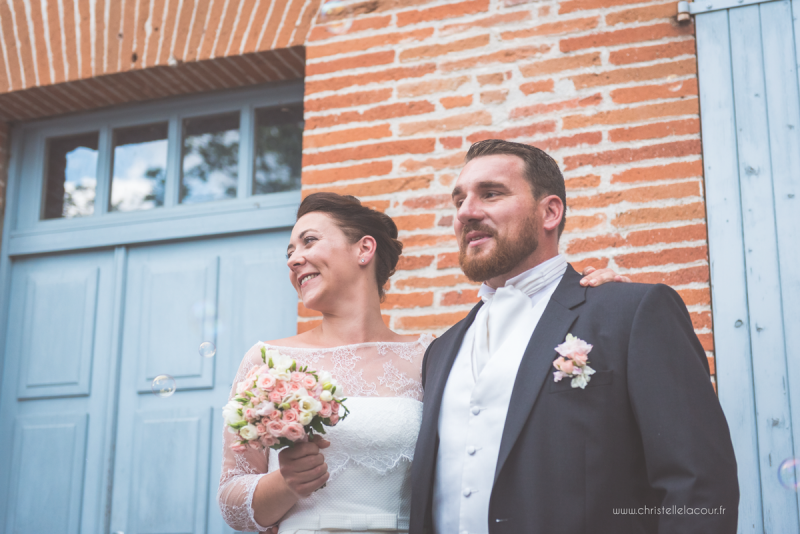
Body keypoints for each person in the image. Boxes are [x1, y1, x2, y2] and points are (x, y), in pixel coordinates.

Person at [217, 191, 627, 533]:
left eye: (309, 242)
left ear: (364, 249)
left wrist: (590, 305)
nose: (294, 259)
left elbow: (515, 397)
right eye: (290, 252)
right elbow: (231, 502)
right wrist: (284, 483)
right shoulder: (268, 361)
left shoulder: (437, 356)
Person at [408, 139, 740, 534]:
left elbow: (698, 484)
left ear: (550, 212)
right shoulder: (440, 350)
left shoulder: (630, 313)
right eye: (459, 200)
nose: (466, 212)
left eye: (491, 194)